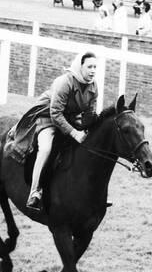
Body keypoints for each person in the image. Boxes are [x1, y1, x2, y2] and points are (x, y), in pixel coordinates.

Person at [14, 52, 99, 211]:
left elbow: (90, 114)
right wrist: (74, 133)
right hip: (48, 117)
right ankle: (35, 192)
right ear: (80, 67)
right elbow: (55, 114)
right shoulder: (65, 82)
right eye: (89, 67)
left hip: (70, 119)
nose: (93, 70)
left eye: (95, 67)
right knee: (46, 148)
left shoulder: (93, 86)